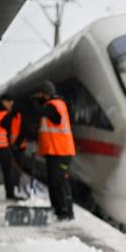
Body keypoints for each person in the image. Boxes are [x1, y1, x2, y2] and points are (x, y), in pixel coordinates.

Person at [32, 80, 76, 220]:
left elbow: (38, 112)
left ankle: (66, 212)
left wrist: (34, 100)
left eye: (40, 94)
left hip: (61, 152)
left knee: (60, 182)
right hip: (54, 152)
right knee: (53, 182)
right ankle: (58, 210)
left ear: (45, 94)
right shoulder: (51, 105)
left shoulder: (54, 106)